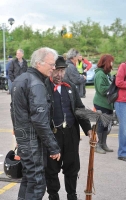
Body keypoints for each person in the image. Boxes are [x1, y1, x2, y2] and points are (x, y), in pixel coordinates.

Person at [10, 47, 61, 200]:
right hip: (32, 141)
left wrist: (19, 136)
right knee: (37, 183)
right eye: (51, 64)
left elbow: (14, 111)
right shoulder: (36, 84)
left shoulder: (21, 79)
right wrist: (53, 147)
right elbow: (39, 120)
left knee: (28, 179)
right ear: (39, 63)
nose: (53, 68)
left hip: (24, 138)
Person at [45, 56, 92, 200]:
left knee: (72, 167)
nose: (60, 74)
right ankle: (53, 195)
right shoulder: (43, 86)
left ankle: (72, 195)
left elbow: (79, 108)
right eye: (57, 71)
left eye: (62, 71)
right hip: (53, 134)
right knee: (51, 169)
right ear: (52, 70)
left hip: (71, 133)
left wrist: (88, 130)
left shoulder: (70, 86)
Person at [93, 54, 114, 154]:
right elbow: (102, 90)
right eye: (111, 61)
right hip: (101, 103)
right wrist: (114, 87)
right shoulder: (100, 74)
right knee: (101, 124)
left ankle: (103, 144)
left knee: (106, 125)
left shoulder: (106, 74)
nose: (112, 64)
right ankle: (98, 145)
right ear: (106, 62)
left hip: (107, 103)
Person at [114, 50, 126, 162]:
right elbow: (119, 82)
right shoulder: (124, 66)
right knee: (125, 128)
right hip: (122, 102)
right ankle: (123, 153)